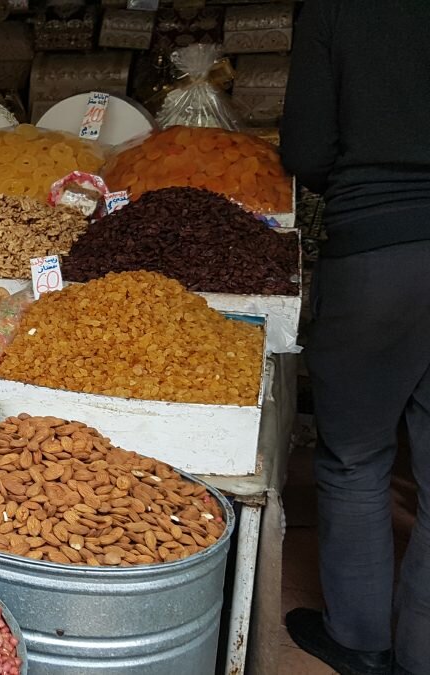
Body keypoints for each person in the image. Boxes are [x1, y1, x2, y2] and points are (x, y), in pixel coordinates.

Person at [280, 1, 430, 674]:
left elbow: (306, 151)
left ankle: (360, 640)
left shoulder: (335, 9)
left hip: (378, 247)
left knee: (356, 456)